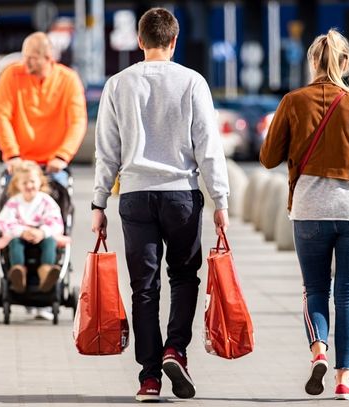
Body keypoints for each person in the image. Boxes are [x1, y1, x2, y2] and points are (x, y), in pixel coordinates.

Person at [91, 8, 230, 402]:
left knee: (143, 288)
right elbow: (209, 148)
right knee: (185, 276)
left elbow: (107, 152)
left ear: (139, 41)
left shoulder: (118, 85)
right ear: (174, 40)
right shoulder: (192, 82)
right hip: (181, 195)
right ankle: (176, 350)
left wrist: (98, 203)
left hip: (134, 196)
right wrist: (220, 199)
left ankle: (148, 378)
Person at [260, 29, 349, 401]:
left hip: (310, 210)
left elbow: (268, 158)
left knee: (315, 289)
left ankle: (319, 349)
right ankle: (345, 379)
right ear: (343, 63)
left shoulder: (293, 101)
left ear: (312, 63)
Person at [0, 31, 87, 187]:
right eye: (24, 56)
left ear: (49, 58)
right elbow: (0, 115)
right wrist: (12, 155)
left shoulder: (69, 79)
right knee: (10, 204)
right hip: (20, 162)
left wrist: (63, 156)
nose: (25, 62)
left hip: (54, 163)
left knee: (60, 201)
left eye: (32, 58)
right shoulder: (11, 75)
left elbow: (78, 121)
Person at [0, 161, 70, 293]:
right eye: (24, 183)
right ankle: (19, 272)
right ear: (17, 185)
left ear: (40, 182)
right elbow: (4, 221)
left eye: (32, 181)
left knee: (50, 242)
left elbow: (54, 219)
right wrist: (22, 231)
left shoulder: (46, 201)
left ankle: (45, 271)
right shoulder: (14, 202)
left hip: (42, 235)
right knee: (14, 243)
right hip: (20, 236)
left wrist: (42, 232)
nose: (29, 186)